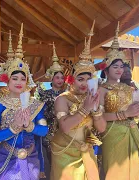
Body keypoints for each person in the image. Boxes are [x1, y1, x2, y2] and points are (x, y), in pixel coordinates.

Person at [0, 24, 48, 180]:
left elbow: (44, 130)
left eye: (23, 78)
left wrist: (29, 126)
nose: (19, 82)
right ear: (7, 80)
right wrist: (13, 128)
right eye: (15, 78)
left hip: (30, 158)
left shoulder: (34, 103)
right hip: (7, 158)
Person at [50, 21, 106, 180]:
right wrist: (86, 108)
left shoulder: (93, 98)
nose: (84, 83)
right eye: (80, 79)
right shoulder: (63, 98)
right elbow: (66, 127)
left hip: (87, 148)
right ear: (71, 80)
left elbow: (101, 128)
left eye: (89, 80)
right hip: (65, 150)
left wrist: (95, 110)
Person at [98, 22, 139, 180]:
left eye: (121, 66)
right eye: (115, 66)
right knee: (116, 172)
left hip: (133, 131)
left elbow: (132, 114)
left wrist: (138, 109)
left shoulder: (128, 89)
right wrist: (124, 113)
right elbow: (98, 117)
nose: (120, 69)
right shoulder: (101, 90)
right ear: (106, 69)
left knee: (136, 171)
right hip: (112, 133)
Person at [36, 42, 66, 178]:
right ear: (52, 78)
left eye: (62, 77)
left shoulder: (67, 93)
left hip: (66, 129)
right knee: (53, 161)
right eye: (57, 77)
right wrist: (52, 113)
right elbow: (41, 114)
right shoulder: (45, 94)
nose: (60, 80)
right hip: (50, 132)